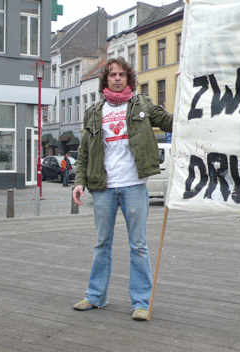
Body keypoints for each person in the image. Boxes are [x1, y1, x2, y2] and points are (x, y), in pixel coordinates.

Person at [72, 57, 173, 321]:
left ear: (128, 78)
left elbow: (169, 122)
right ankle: (95, 296)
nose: (117, 78)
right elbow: (84, 153)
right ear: (105, 80)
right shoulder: (94, 112)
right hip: (103, 187)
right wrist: (79, 181)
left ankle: (141, 302)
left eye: (121, 74)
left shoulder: (142, 105)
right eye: (112, 74)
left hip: (134, 185)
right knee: (101, 244)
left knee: (138, 245)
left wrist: (188, 101)